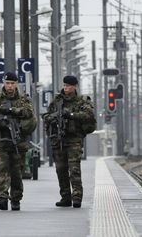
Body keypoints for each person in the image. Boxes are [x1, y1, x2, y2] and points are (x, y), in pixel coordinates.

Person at [43, 75, 95, 208]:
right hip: (58, 139)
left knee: (74, 169)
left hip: (74, 139)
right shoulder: (57, 101)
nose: (66, 88)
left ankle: (77, 197)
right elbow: (46, 116)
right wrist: (53, 117)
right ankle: (65, 197)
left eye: (69, 86)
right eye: (65, 85)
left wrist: (71, 115)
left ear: (75, 87)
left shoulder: (81, 101)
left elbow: (88, 116)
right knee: (61, 169)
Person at [0, 72, 36, 211]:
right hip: (1, 140)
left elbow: (28, 112)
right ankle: (2, 198)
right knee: (3, 168)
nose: (10, 86)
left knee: (16, 171)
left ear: (16, 84)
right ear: (4, 83)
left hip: (18, 141)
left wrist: (11, 110)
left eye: (12, 83)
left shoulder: (23, 99)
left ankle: (16, 199)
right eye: (7, 83)